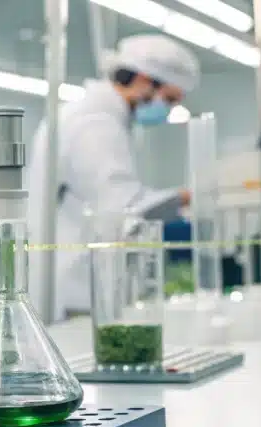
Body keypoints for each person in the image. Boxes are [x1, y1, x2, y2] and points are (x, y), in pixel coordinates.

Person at [26, 34, 199, 322]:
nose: (166, 111)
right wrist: (184, 198)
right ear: (144, 81)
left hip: (75, 279)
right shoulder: (95, 124)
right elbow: (120, 207)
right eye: (168, 99)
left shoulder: (97, 117)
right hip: (73, 285)